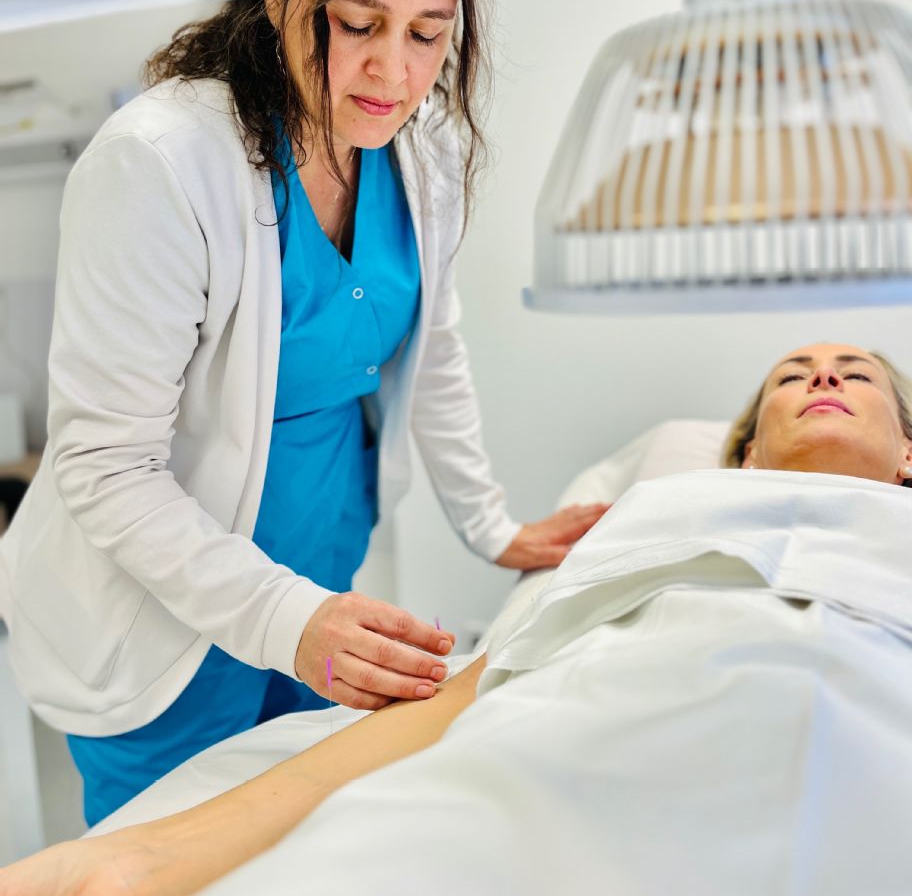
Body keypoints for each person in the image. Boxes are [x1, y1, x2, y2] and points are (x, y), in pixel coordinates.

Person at [0, 0, 605, 829]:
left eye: (428, 34)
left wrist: (493, 527)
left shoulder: (422, 149)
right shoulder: (160, 162)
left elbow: (431, 345)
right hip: (163, 628)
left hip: (324, 592)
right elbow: (108, 468)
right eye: (359, 25)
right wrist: (286, 620)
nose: (395, 74)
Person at [3, 339, 911, 896]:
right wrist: (154, 855)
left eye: (856, 374)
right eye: (793, 375)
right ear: (744, 455)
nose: (824, 375)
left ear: (908, 452)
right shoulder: (666, 511)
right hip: (597, 738)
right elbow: (478, 692)